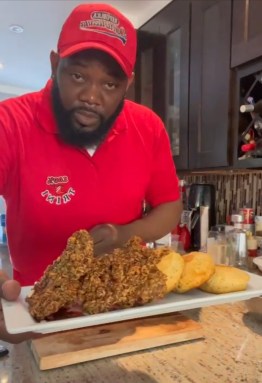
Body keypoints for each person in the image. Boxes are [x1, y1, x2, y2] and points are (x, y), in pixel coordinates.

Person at [0, 3, 182, 343]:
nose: (91, 97)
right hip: (36, 321)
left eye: (110, 84)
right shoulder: (11, 122)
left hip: (123, 314)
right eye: (78, 76)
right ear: (55, 66)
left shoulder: (148, 128)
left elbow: (169, 205)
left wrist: (124, 234)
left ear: (127, 84)